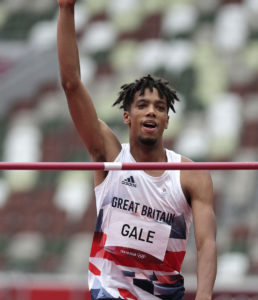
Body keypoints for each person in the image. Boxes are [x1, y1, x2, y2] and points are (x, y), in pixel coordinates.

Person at [56, 1, 217, 299]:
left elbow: (207, 244)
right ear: (127, 117)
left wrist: (205, 296)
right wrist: (66, 10)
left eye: (159, 107)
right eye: (142, 106)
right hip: (111, 292)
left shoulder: (191, 176)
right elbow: (72, 84)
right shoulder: (108, 157)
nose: (151, 112)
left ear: (167, 120)